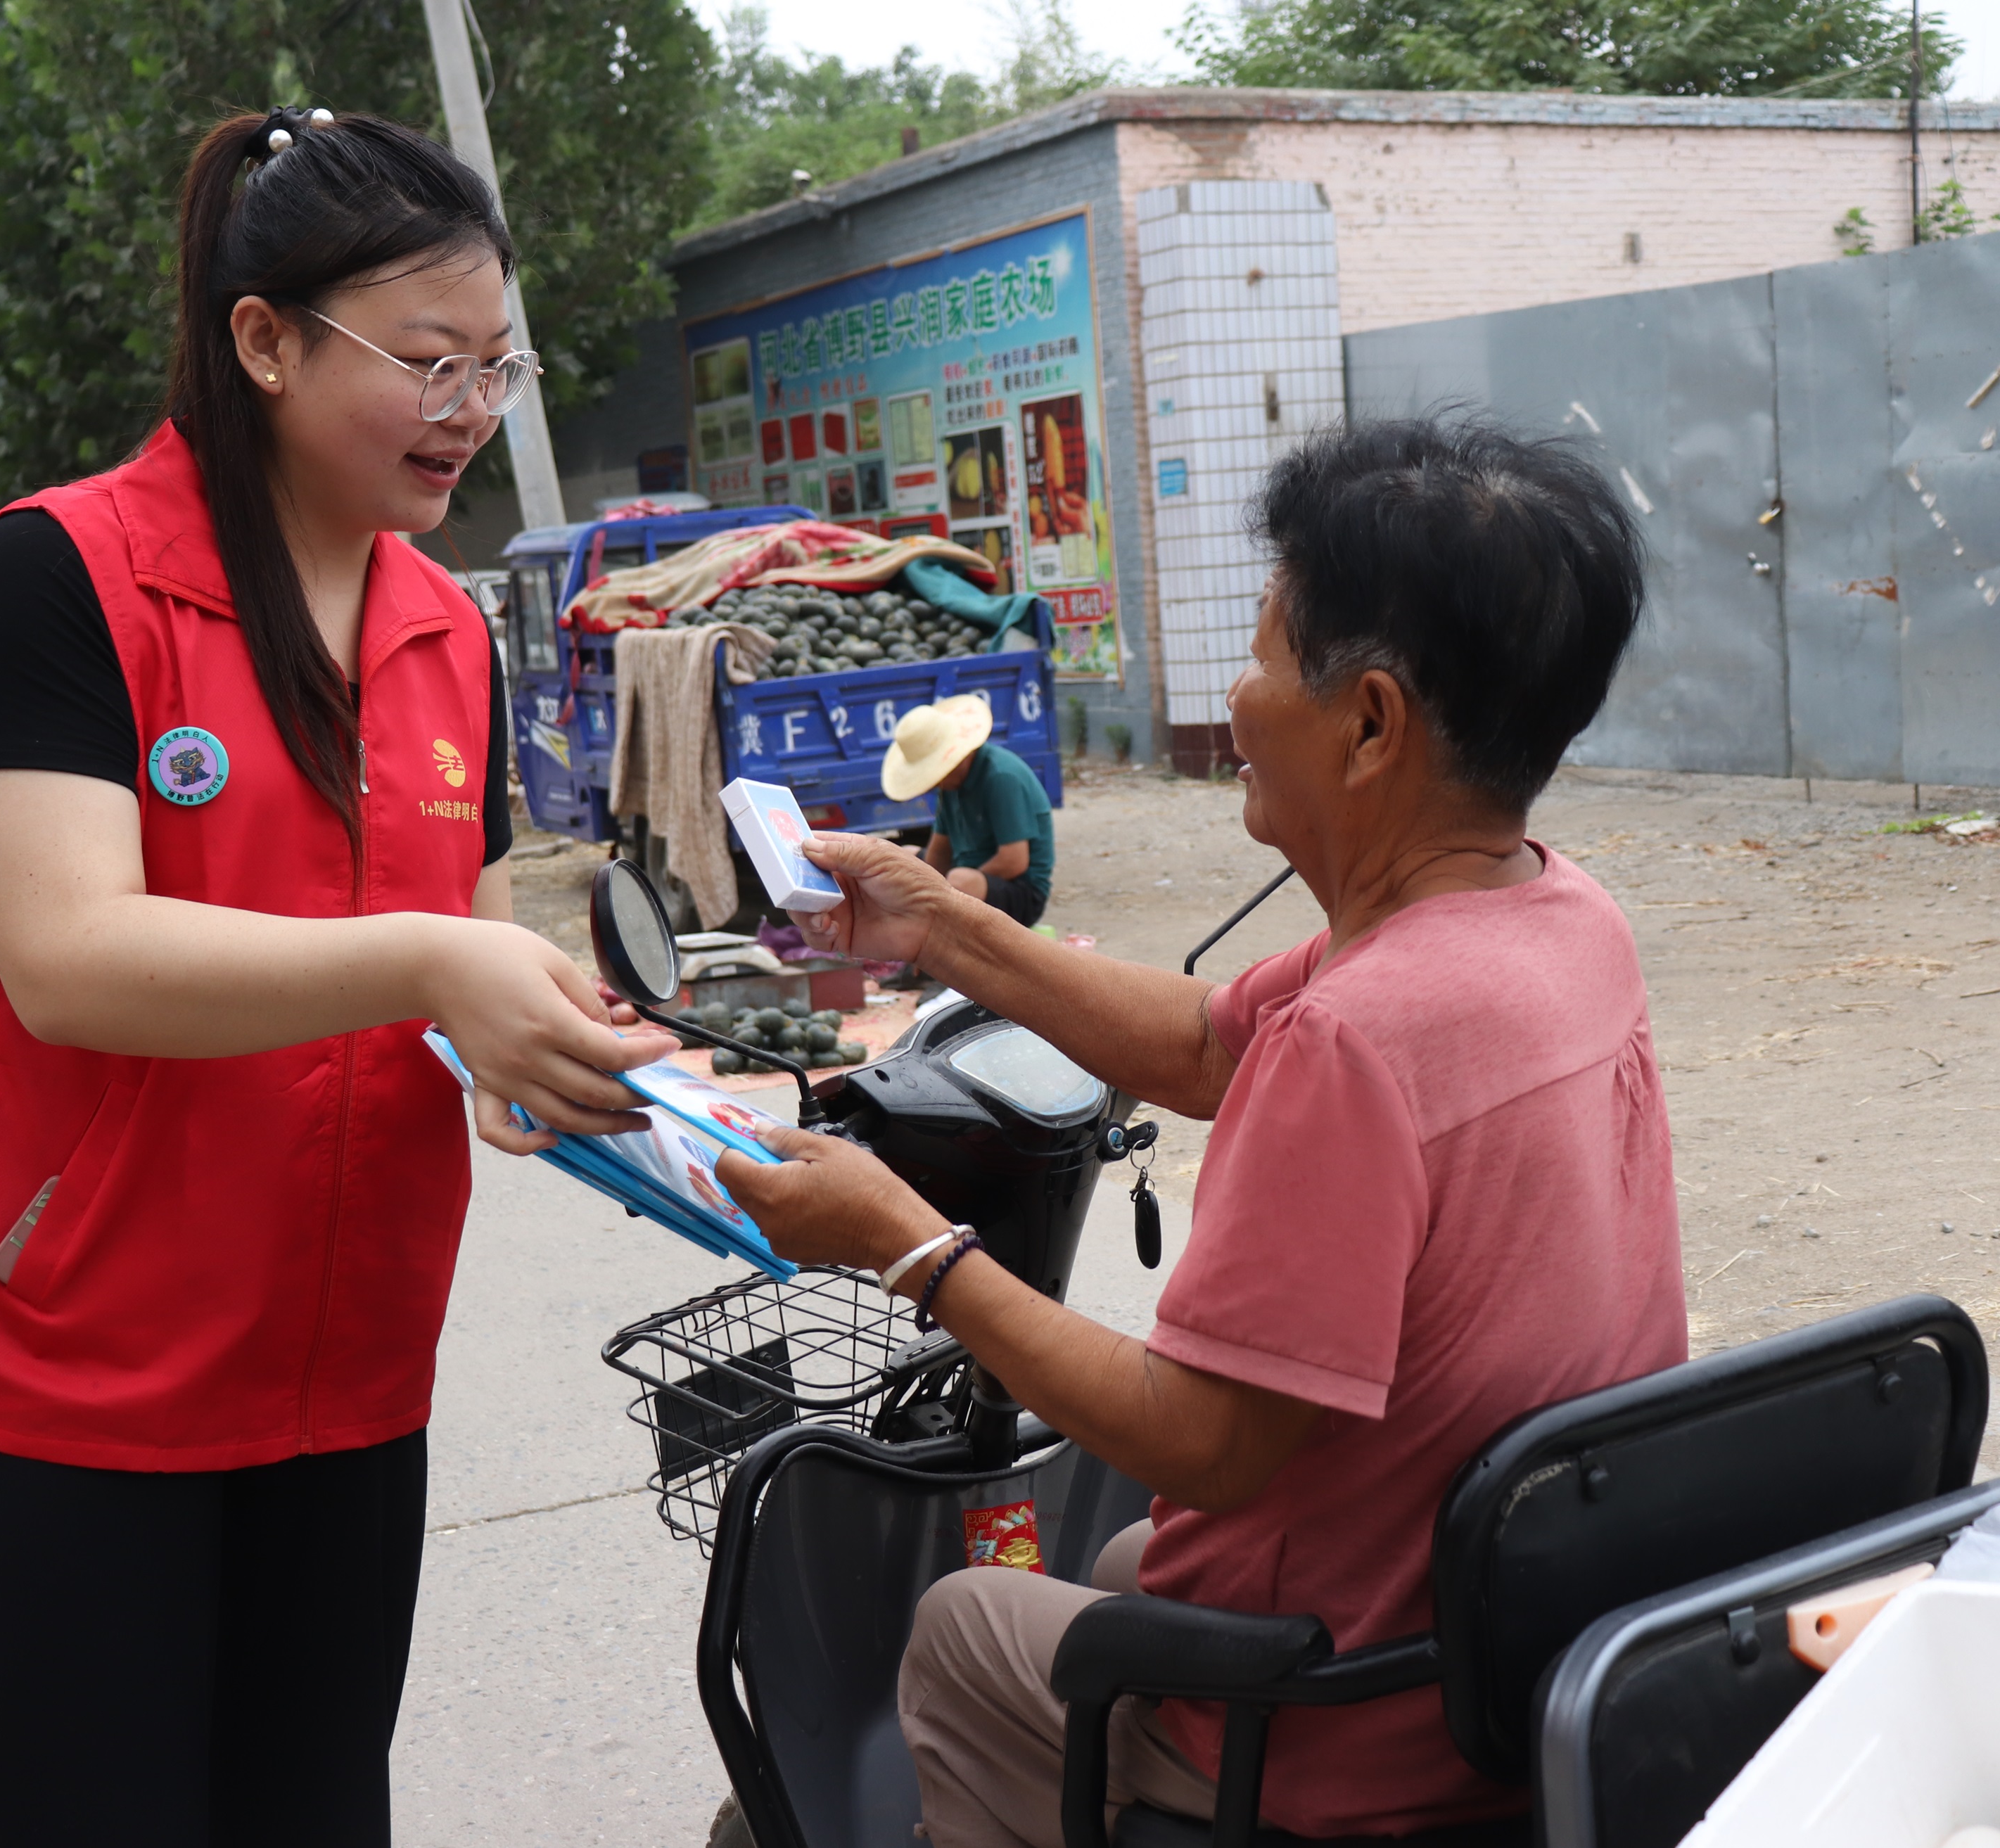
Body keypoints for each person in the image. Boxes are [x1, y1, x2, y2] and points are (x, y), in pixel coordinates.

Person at [0, 107, 670, 1847]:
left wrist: (528, 1049)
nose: (470, 407)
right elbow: (71, 959)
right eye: (427, 361)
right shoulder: (56, 580)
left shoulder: (448, 630)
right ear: (263, 342)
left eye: (497, 365)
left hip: (347, 1369)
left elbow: (446, 949)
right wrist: (442, 960)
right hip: (74, 1385)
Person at [717, 417, 1686, 1846]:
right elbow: (1192, 1040)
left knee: (966, 1618)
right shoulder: (1553, 916)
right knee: (1117, 1553)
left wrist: (905, 1241)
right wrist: (944, 923)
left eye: (1263, 651)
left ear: (1368, 725)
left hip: (1350, 1736)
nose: (1235, 695)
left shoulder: (1356, 1040)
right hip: (1498, 1638)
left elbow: (1203, 1441)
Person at [883, 692, 1055, 925]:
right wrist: (920, 883)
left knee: (961, 880)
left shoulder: (1001, 777)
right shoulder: (952, 787)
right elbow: (939, 852)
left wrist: (948, 895)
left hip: (1020, 889)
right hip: (967, 871)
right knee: (907, 857)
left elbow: (1014, 861)